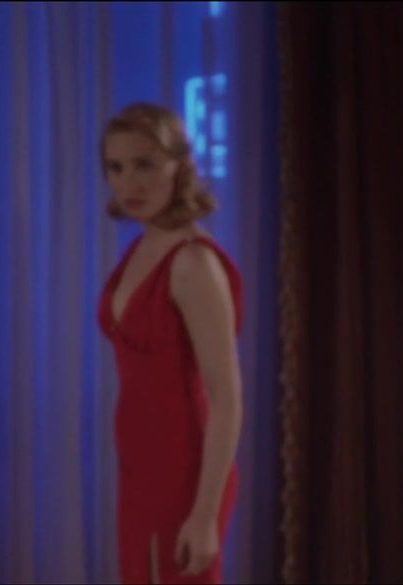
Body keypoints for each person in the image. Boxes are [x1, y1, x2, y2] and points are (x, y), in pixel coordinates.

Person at [97, 102, 242, 584]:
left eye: (145, 164)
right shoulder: (142, 247)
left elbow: (227, 399)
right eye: (116, 167)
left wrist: (204, 515)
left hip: (185, 468)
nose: (128, 183)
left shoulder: (193, 263)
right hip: (139, 463)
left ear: (178, 166)